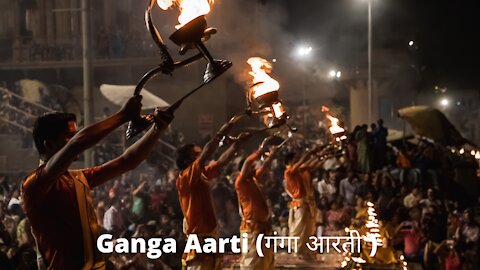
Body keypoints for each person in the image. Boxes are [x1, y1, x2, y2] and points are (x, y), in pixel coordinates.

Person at [21, 96, 173, 270]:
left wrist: (157, 130)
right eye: (68, 136)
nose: (74, 138)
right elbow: (77, 143)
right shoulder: (33, 185)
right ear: (48, 144)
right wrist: (122, 116)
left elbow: (127, 161)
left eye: (75, 134)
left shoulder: (79, 178)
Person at [175, 116, 251, 270]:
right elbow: (208, 153)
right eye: (195, 154)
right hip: (200, 240)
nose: (200, 156)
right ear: (186, 161)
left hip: (209, 239)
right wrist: (225, 128)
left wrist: (237, 145)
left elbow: (221, 162)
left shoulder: (201, 174)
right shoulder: (185, 178)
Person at [235, 140, 282, 270]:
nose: (254, 167)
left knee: (265, 258)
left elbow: (266, 165)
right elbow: (247, 163)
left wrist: (272, 154)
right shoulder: (241, 182)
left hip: (262, 225)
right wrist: (260, 150)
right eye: (251, 167)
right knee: (253, 260)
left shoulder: (254, 179)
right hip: (252, 227)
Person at [284, 147, 322, 260]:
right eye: (296, 159)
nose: (299, 160)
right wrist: (310, 152)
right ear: (290, 162)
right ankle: (299, 252)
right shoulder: (289, 172)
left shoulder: (300, 170)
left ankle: (307, 252)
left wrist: (320, 156)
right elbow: (303, 162)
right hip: (300, 205)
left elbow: (313, 165)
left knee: (309, 230)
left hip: (307, 204)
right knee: (300, 230)